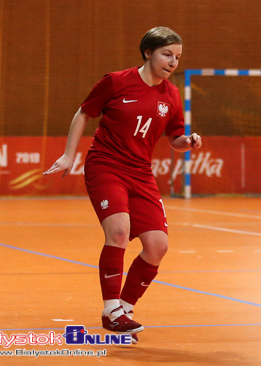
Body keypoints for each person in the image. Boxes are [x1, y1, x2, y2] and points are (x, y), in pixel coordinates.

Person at [43, 27, 202, 343]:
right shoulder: (116, 81)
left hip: (140, 172)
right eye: (167, 54)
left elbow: (175, 140)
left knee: (158, 247)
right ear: (148, 53)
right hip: (106, 166)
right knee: (118, 231)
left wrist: (189, 142)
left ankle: (124, 309)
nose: (173, 62)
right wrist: (68, 155)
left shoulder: (171, 95)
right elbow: (83, 113)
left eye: (177, 57)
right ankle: (111, 309)